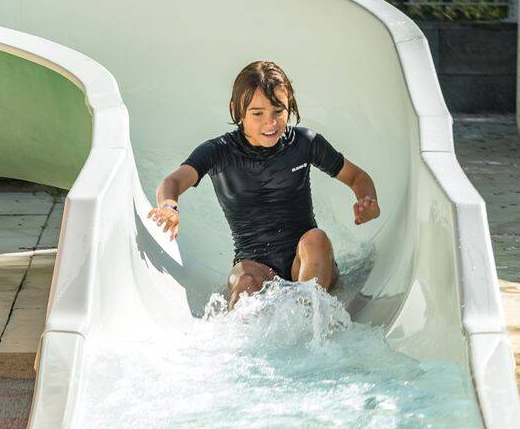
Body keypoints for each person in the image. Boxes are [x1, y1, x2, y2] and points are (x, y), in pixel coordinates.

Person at [147, 60, 380, 308]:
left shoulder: (304, 143)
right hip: (255, 265)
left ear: (290, 108)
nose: (270, 123)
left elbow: (357, 177)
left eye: (278, 111)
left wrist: (368, 201)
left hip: (306, 262)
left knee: (316, 240)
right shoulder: (219, 152)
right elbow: (173, 180)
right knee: (245, 280)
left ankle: (312, 317)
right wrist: (169, 206)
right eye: (257, 114)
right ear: (237, 110)